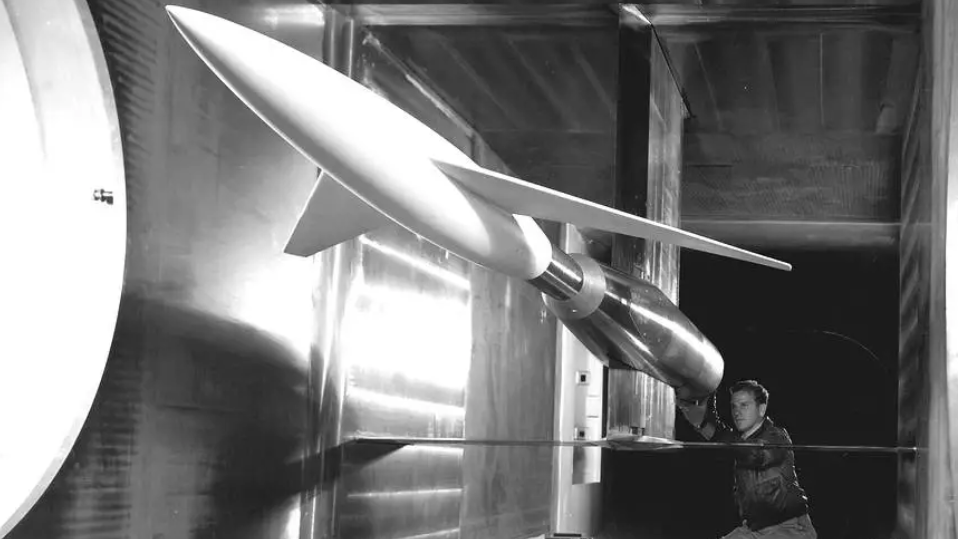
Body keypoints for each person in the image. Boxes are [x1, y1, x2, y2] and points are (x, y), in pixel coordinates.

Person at [677, 379, 817, 539]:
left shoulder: (776, 437)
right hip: (753, 529)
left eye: (744, 405)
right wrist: (690, 410)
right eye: (734, 406)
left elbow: (754, 454)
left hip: (789, 528)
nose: (737, 412)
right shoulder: (740, 441)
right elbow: (716, 434)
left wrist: (713, 428)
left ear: (761, 409)